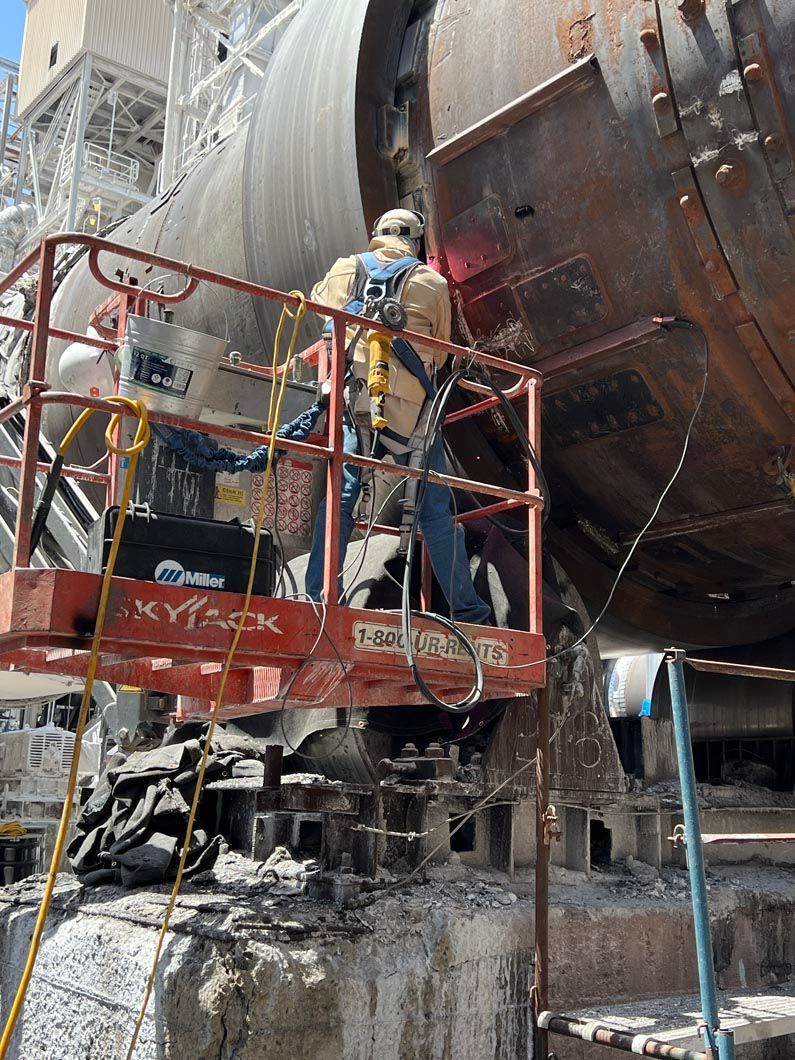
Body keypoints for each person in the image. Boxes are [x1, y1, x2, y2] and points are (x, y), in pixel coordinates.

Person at [304, 208, 492, 625]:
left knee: (341, 500)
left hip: (356, 408)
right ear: (416, 241)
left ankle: (317, 597)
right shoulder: (432, 282)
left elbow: (320, 308)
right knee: (436, 513)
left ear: (377, 235)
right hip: (413, 418)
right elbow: (441, 352)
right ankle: (468, 610)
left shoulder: (344, 269)